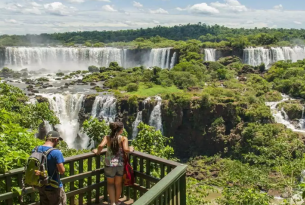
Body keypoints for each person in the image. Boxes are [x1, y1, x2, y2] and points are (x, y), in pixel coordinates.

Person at [93, 122, 134, 205]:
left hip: (110, 164)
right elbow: (126, 149)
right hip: (120, 164)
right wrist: (131, 149)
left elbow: (101, 146)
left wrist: (97, 152)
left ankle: (112, 203)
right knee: (118, 184)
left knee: (110, 183)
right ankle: (116, 201)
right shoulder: (123, 138)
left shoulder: (107, 137)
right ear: (121, 130)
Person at [34, 131, 66, 205]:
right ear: (55, 140)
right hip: (54, 186)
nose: (58, 143)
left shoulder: (36, 149)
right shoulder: (56, 152)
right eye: (58, 141)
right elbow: (62, 171)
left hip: (41, 185)